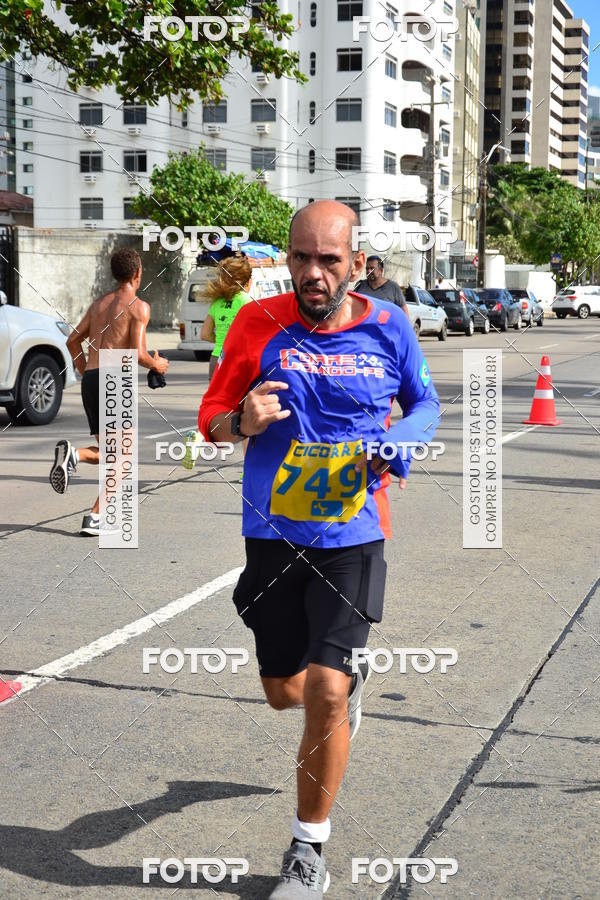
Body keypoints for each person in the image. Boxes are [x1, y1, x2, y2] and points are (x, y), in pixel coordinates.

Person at [198, 200, 439, 898]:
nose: (312, 272)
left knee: (328, 692)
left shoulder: (390, 326)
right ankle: (329, 699)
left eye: (328, 259)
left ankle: (308, 849)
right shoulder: (253, 323)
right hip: (273, 536)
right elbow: (211, 418)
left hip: (354, 536)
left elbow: (426, 404)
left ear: (355, 263)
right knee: (285, 694)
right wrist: (239, 419)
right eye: (300, 257)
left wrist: (397, 443)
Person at [49, 247, 168, 536]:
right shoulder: (139, 307)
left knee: (115, 454)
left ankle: (77, 465)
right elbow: (139, 353)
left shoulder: (98, 304)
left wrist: (83, 370)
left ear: (115, 274)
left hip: (92, 378)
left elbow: (72, 342)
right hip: (116, 377)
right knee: (122, 458)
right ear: (138, 273)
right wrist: (158, 365)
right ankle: (93, 513)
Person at [200, 255, 252, 382]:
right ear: (248, 281)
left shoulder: (216, 302)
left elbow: (205, 335)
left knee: (215, 401)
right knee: (240, 401)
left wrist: (222, 340)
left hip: (217, 359)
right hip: (238, 360)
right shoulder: (247, 302)